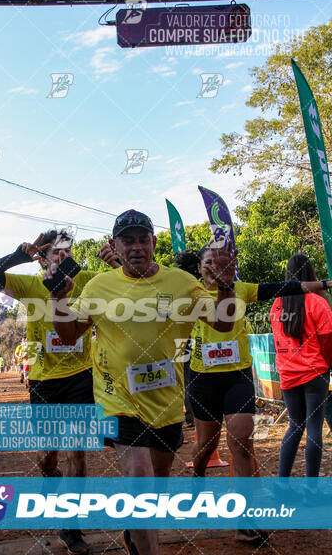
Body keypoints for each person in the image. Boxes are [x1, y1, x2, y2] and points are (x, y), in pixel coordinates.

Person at [49, 210, 237, 555]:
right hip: (118, 402)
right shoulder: (99, 285)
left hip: (166, 405)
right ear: (113, 246)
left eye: (143, 239)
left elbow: (223, 324)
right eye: (127, 240)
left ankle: (134, 534)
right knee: (139, 480)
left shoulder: (181, 283)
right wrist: (57, 298)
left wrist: (225, 286)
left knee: (155, 492)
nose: (136, 247)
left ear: (154, 243)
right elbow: (70, 332)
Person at [175, 245, 332, 545]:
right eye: (210, 262)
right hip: (203, 379)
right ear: (199, 267)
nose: (216, 266)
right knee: (206, 446)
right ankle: (198, 477)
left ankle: (244, 519)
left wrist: (325, 283)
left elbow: (289, 285)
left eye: (223, 262)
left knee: (243, 443)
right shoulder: (190, 294)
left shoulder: (241, 289)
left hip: (238, 376)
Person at [0, 228, 119, 555]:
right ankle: (49, 473)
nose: (62, 257)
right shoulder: (29, 285)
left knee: (76, 451)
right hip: (43, 381)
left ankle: (71, 528)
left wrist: (114, 263)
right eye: (54, 252)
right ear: (41, 259)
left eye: (66, 252)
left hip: (81, 376)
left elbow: (124, 283)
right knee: (47, 455)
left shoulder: (86, 281)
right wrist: (17, 256)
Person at [270, 254, 332, 481]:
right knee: (314, 427)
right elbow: (327, 341)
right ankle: (311, 489)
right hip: (315, 373)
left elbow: (279, 341)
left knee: (295, 426)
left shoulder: (277, 303)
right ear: (311, 274)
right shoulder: (318, 303)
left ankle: (282, 484)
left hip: (287, 374)